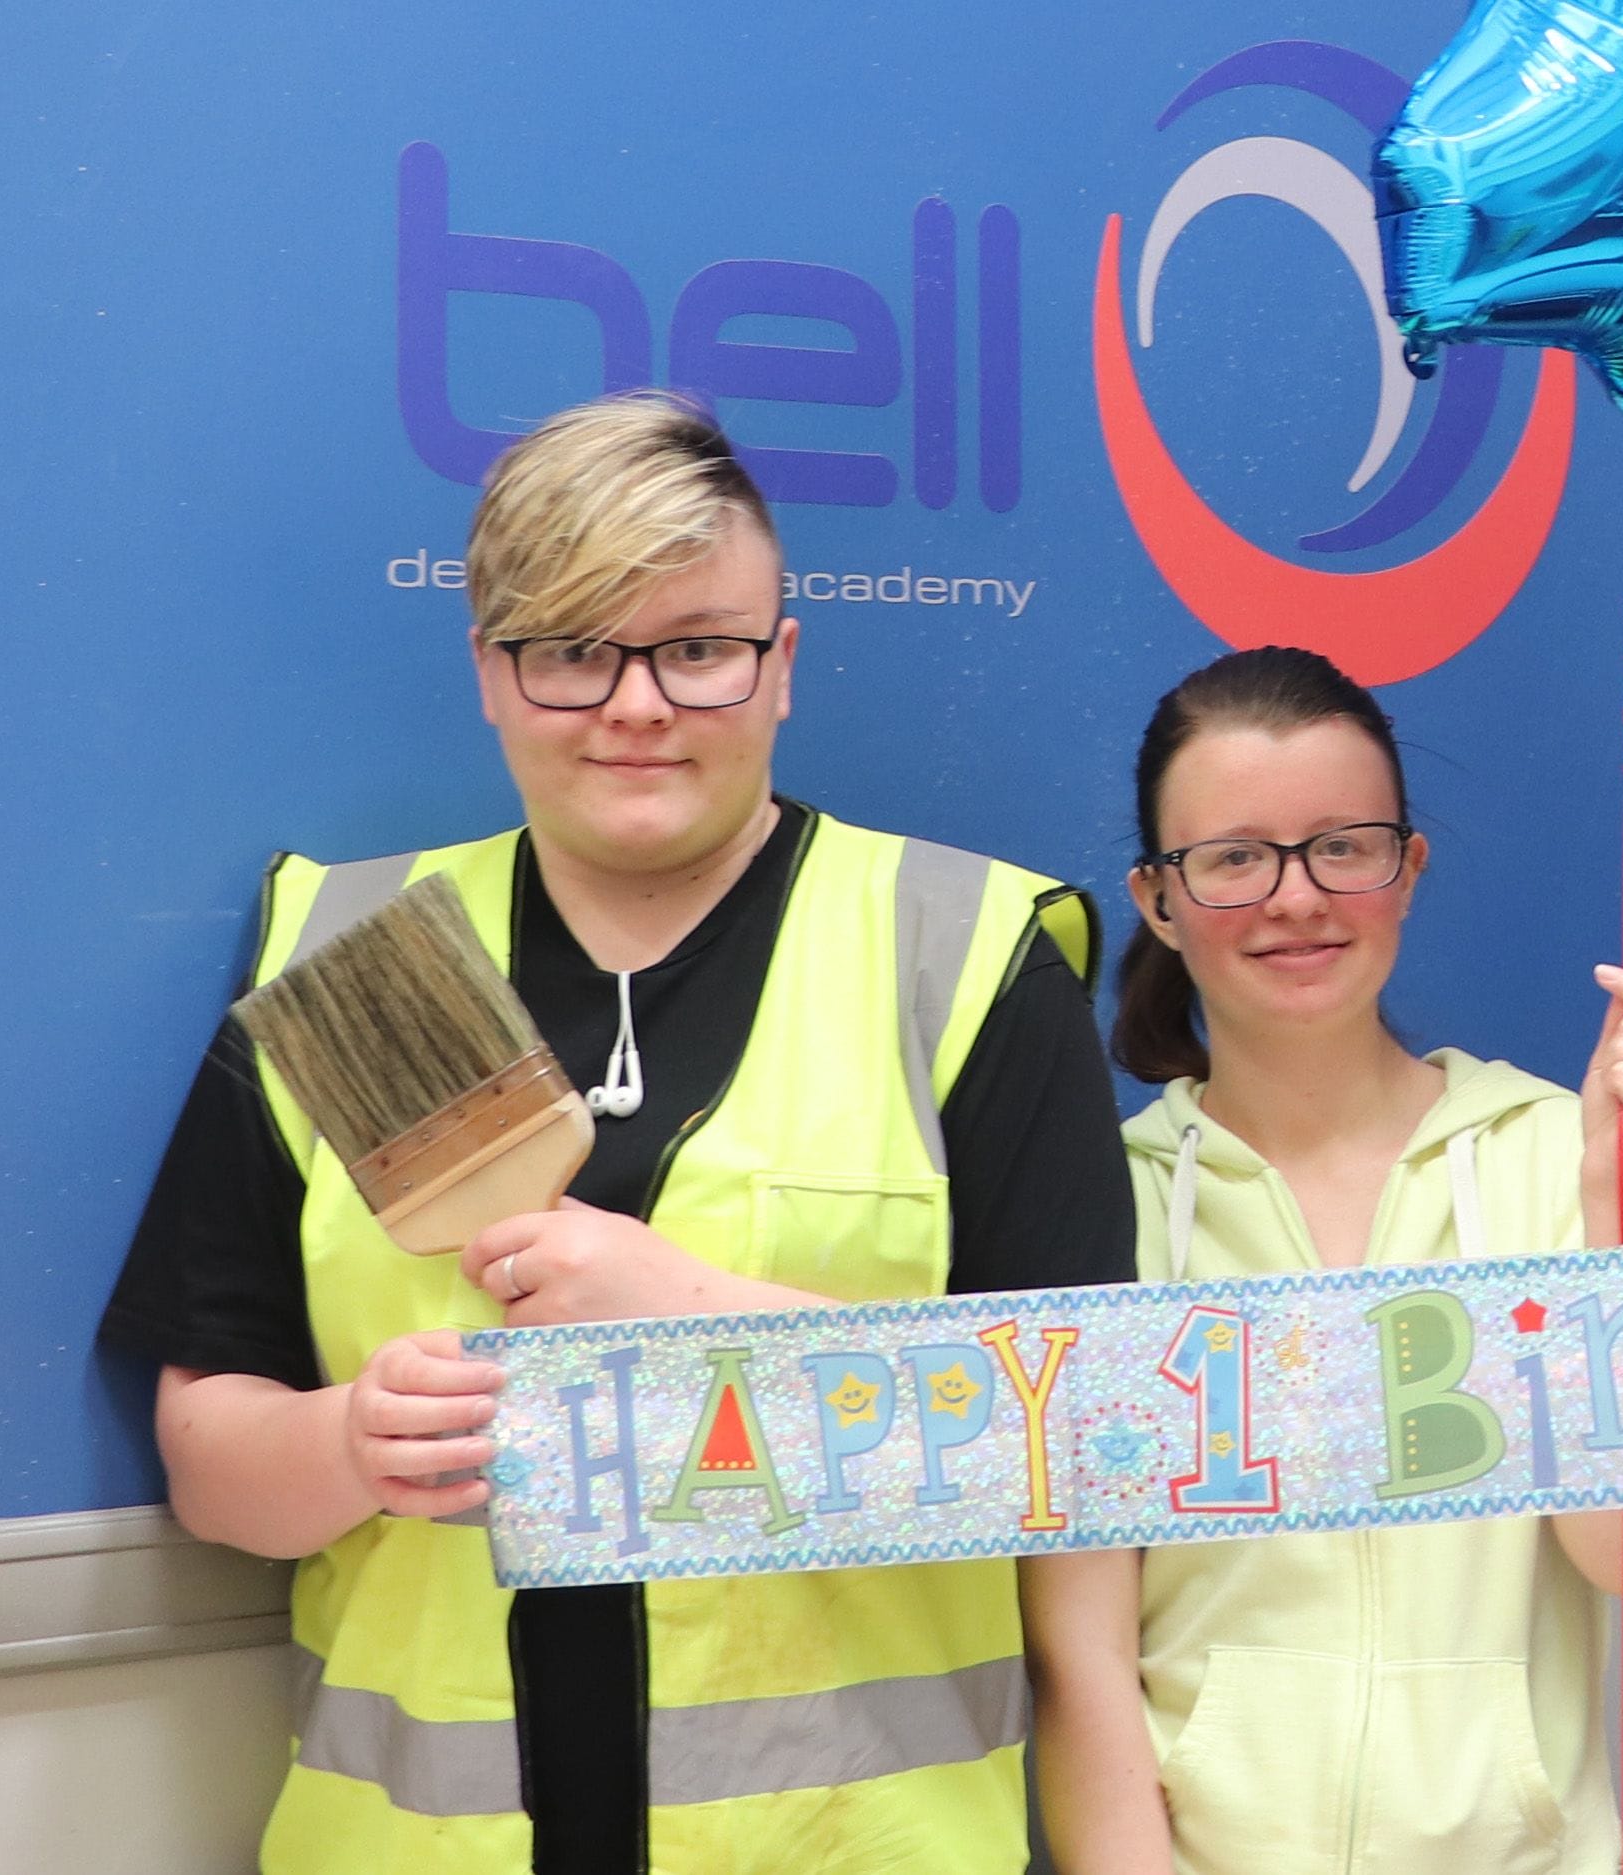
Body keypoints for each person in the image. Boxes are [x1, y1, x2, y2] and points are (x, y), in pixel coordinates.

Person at [96, 391, 1126, 1873]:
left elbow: (1076, 1453)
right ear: (491, 677)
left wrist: (696, 1318)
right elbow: (212, 1457)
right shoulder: (353, 946)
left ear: (782, 669)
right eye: (574, 648)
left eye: (697, 648)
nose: (635, 704)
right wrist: (350, 1442)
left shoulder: (960, 956)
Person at [1016, 646, 1623, 1875]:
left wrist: (1610, 1205)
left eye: (1345, 846)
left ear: (1407, 868)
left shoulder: (1560, 1153)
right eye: (1234, 859)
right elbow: (1081, 1661)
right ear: (1160, 900)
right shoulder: (1099, 1206)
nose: (1296, 898)